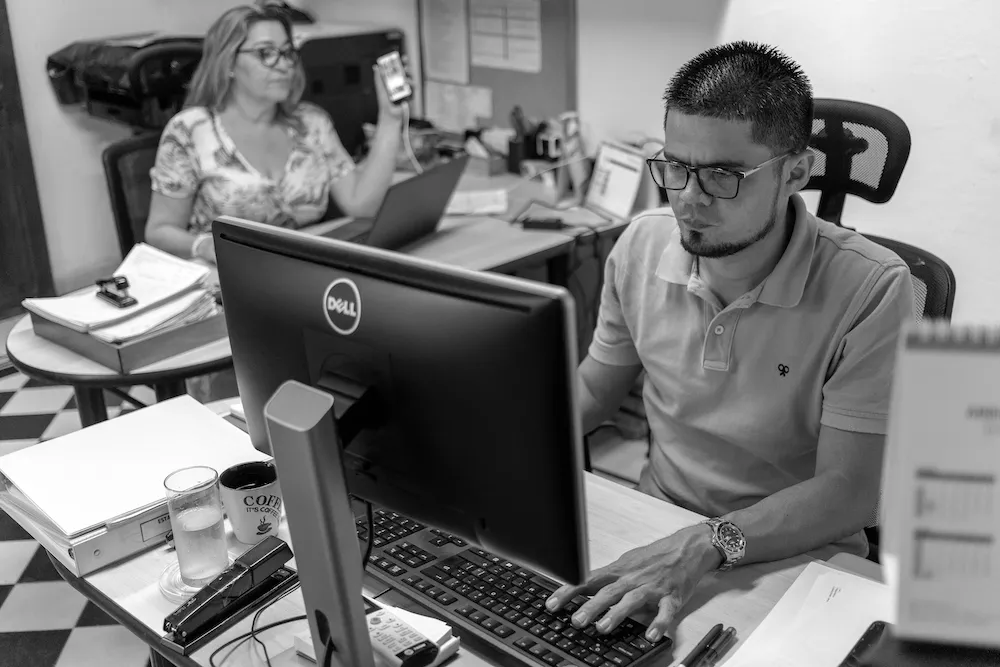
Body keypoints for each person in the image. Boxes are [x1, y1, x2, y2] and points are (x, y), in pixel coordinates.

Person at [545, 42, 914, 644]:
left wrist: (705, 546)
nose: (688, 198)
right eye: (675, 167)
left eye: (723, 175)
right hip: (658, 526)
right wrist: (499, 453)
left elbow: (848, 495)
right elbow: (594, 389)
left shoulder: (873, 288)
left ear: (796, 171)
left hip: (796, 558)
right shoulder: (639, 246)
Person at [146, 3, 405, 263]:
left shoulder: (311, 123)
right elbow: (159, 231)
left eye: (287, 52)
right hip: (222, 278)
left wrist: (391, 119)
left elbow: (362, 205)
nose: (283, 65)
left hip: (296, 272)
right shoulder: (190, 131)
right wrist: (204, 246)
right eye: (265, 53)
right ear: (228, 63)